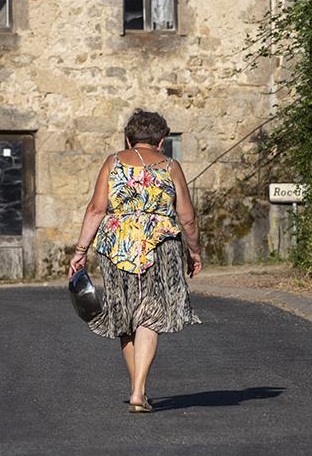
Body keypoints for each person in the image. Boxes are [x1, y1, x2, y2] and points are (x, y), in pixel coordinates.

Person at [68, 110, 202, 413]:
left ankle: (137, 389)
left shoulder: (113, 162)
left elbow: (95, 209)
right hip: (160, 246)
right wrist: (194, 251)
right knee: (150, 313)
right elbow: (187, 217)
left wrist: (80, 251)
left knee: (125, 316)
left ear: (128, 140)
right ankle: (139, 391)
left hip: (117, 246)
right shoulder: (170, 166)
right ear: (162, 141)